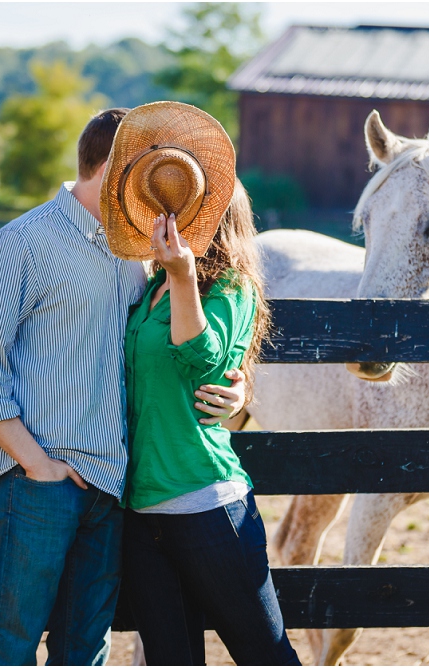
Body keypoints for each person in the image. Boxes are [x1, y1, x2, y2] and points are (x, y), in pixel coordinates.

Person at [0, 108, 247, 666]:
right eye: (147, 167)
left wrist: (236, 387)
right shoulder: (23, 243)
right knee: (6, 644)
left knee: (84, 649)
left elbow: (170, 345)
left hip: (112, 487)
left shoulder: (141, 253)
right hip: (38, 480)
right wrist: (36, 463)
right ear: (115, 167)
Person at [99, 102, 300, 666]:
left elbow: (204, 361)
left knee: (266, 656)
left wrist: (185, 276)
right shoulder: (151, 288)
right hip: (143, 514)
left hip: (207, 506)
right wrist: (175, 274)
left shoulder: (231, 290)